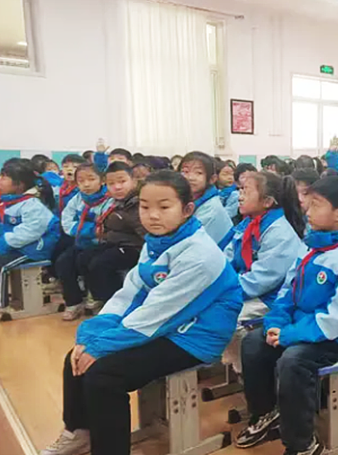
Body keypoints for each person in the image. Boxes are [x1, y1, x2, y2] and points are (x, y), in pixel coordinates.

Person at [42, 171, 242, 455]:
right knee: (75, 357)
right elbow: (131, 293)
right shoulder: (157, 241)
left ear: (187, 210)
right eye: (145, 206)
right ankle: (79, 433)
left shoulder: (200, 254)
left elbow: (160, 312)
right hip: (165, 325)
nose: (153, 215)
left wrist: (103, 345)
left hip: (195, 337)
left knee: (104, 375)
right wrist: (92, 333)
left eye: (164, 206)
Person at [235, 177, 338, 454]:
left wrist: (289, 334)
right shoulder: (311, 247)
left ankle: (302, 444)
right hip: (303, 326)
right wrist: (276, 323)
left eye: (316, 205)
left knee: (294, 360)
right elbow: (287, 293)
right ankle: (266, 414)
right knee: (253, 342)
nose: (307, 211)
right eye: (308, 204)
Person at [223, 172, 305, 374]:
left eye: (246, 191)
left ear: (267, 201)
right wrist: (217, 283)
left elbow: (263, 279)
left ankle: (248, 371)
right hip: (246, 287)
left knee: (227, 315)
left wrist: (225, 291)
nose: (240, 196)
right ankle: (238, 366)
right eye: (240, 190)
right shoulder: (248, 223)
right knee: (211, 308)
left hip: (271, 296)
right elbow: (226, 259)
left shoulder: (280, 232)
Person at [77, 162, 146, 314]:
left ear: (133, 181)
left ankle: (114, 304)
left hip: (134, 248)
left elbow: (146, 234)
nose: (117, 187)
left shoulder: (138, 204)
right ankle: (97, 296)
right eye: (111, 183)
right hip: (115, 243)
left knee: (100, 264)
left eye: (122, 181)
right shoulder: (115, 202)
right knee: (83, 257)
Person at [57, 163, 115, 321]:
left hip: (102, 245)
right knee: (63, 262)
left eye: (91, 179)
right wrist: (90, 230)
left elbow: (106, 226)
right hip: (81, 243)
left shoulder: (110, 200)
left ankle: (98, 299)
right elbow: (67, 222)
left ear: (102, 180)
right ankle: (73, 302)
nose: (86, 184)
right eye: (81, 181)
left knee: (90, 262)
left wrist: (87, 229)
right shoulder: (77, 199)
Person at [0, 159, 59, 275]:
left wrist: (5, 241)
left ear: (19, 184)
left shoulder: (32, 204)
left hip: (32, 250)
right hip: (15, 246)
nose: (0, 180)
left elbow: (29, 232)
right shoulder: (9, 202)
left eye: (4, 178)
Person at [179, 152, 234, 248]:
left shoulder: (211, 209)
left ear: (212, 179)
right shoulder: (187, 199)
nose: (190, 177)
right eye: (185, 172)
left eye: (198, 173)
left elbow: (189, 245)